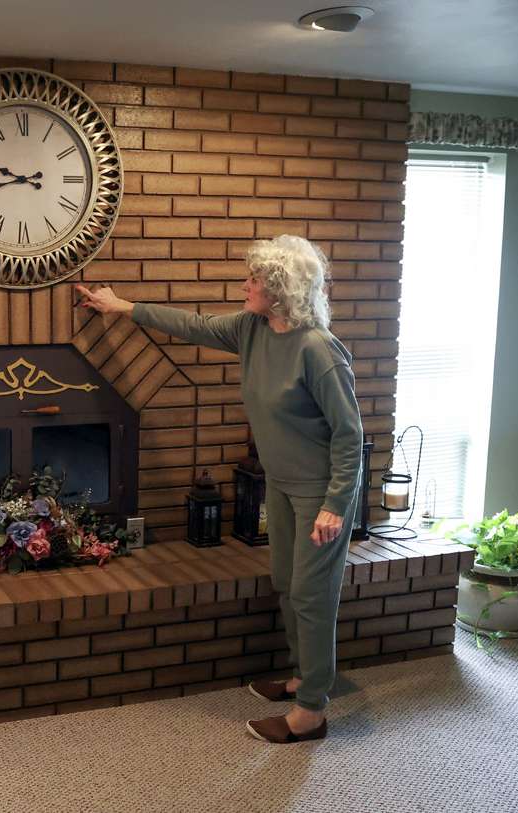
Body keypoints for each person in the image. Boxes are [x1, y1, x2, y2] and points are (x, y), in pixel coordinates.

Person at [75, 234, 363, 744]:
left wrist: (336, 505)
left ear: (280, 287)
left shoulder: (318, 350)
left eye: (254, 279)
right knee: (284, 582)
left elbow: (350, 434)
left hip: (320, 493)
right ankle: (302, 676)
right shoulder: (252, 329)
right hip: (280, 483)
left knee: (312, 595)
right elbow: (193, 324)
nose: (245, 285)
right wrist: (121, 307)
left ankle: (312, 712)